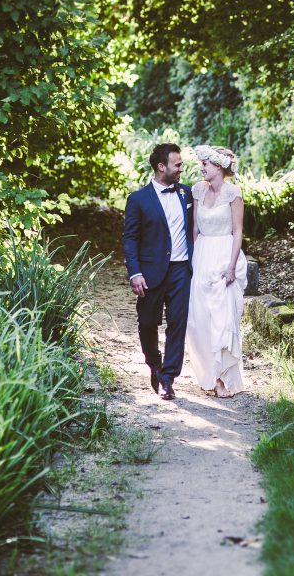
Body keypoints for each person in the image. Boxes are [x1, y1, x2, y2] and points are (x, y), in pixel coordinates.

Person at [122, 143, 194, 401]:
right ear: (161, 167)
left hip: (181, 270)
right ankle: (154, 364)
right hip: (150, 272)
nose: (181, 169)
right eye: (177, 164)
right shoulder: (138, 199)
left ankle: (168, 378)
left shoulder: (187, 193)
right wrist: (135, 273)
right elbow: (130, 238)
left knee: (178, 322)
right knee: (148, 323)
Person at [186, 144, 247, 398]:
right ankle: (209, 375)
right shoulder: (198, 190)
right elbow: (195, 230)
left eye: (205, 164)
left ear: (219, 167)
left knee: (223, 317)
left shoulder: (233, 193)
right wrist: (190, 260)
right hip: (202, 256)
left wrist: (232, 266)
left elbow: (237, 231)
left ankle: (224, 379)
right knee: (200, 318)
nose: (201, 168)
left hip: (224, 255)